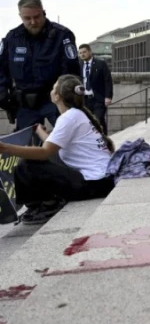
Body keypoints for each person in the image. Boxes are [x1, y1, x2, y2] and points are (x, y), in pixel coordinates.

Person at [0, 75, 116, 225]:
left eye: (54, 88)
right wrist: (40, 131)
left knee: (27, 165)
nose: (51, 90)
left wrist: (5, 148)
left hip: (94, 184)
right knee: (44, 159)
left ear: (57, 96)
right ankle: (43, 203)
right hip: (102, 181)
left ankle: (47, 205)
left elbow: (45, 153)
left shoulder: (68, 118)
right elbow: (53, 146)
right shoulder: (77, 115)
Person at [0, 0, 81, 131]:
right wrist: (3, 95)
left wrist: (67, 99)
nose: (33, 22)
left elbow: (72, 72)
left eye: (37, 17)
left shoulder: (62, 35)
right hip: (25, 104)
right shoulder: (12, 38)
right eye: (27, 18)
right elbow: (1, 69)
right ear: (20, 16)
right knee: (26, 147)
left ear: (43, 12)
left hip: (55, 100)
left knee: (71, 138)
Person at [78, 44, 114, 134]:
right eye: (80, 53)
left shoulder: (100, 63)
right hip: (84, 99)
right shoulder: (79, 65)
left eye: (84, 52)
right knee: (87, 122)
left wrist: (108, 96)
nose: (82, 54)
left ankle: (104, 141)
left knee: (99, 120)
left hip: (98, 98)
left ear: (90, 52)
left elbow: (108, 80)